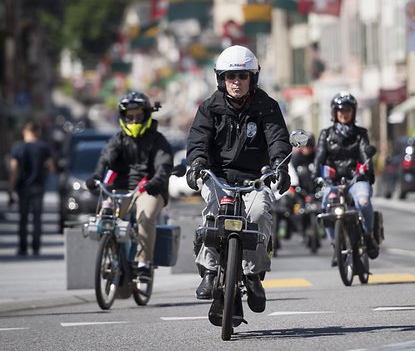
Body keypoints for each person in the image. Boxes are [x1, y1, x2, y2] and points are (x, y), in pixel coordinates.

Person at [186, 44, 291, 313]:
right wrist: (197, 164)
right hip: (218, 178)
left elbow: (277, 138)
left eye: (242, 76)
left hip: (255, 179)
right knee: (212, 215)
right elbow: (198, 140)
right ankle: (210, 272)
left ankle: (254, 276)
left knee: (259, 214)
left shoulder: (266, 106)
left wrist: (279, 165)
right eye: (231, 77)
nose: (236, 82)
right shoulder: (210, 107)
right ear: (221, 79)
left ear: (252, 78)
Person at [85, 91, 173, 281]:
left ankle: (143, 264)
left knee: (145, 217)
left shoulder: (158, 140)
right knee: (104, 217)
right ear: (123, 117)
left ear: (147, 115)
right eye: (129, 117)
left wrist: (155, 182)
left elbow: (164, 166)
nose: (133, 121)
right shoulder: (117, 139)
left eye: (138, 116)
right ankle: (109, 253)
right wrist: (96, 176)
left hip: (149, 190)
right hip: (121, 190)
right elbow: (105, 159)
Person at [312, 92, 380, 265]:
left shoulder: (361, 133)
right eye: (340, 109)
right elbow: (319, 157)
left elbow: (366, 154)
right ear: (334, 112)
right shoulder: (326, 134)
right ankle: (336, 245)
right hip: (333, 182)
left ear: (354, 111)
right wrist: (315, 177)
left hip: (356, 179)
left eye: (348, 109)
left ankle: (369, 235)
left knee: (363, 201)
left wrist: (367, 172)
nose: (344, 113)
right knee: (326, 209)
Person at [8, 120, 56, 256]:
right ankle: (36, 247)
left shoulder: (18, 148)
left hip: (22, 188)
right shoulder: (44, 148)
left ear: (25, 132)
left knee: (23, 219)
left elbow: (13, 170)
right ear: (37, 132)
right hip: (38, 187)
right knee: (37, 218)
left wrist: (10, 191)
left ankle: (23, 247)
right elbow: (52, 168)